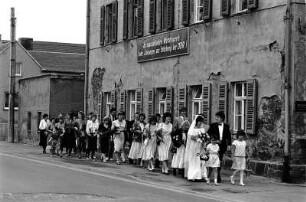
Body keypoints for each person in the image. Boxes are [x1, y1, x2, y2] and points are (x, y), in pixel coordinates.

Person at [207, 111, 231, 183]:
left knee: (219, 160)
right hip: (214, 145)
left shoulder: (226, 126)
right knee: (213, 159)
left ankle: (217, 175)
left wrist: (229, 145)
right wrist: (214, 140)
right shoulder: (213, 125)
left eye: (218, 117)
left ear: (222, 118)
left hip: (222, 145)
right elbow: (208, 134)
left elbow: (228, 136)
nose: (216, 118)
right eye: (216, 117)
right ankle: (211, 175)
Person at [184, 115, 207, 181]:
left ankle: (199, 176)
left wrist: (203, 141)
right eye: (199, 121)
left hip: (200, 146)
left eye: (201, 122)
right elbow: (191, 137)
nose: (200, 123)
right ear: (196, 122)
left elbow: (204, 137)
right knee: (193, 160)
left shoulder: (202, 129)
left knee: (199, 160)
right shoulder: (192, 129)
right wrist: (197, 137)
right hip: (193, 146)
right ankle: (192, 176)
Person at [171, 107, 190, 177]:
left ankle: (181, 167)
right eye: (182, 112)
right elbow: (174, 128)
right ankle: (175, 167)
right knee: (178, 153)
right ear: (180, 112)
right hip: (179, 135)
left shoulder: (187, 119)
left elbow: (189, 127)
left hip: (185, 135)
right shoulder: (177, 119)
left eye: (185, 112)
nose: (184, 113)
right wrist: (180, 128)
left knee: (183, 154)